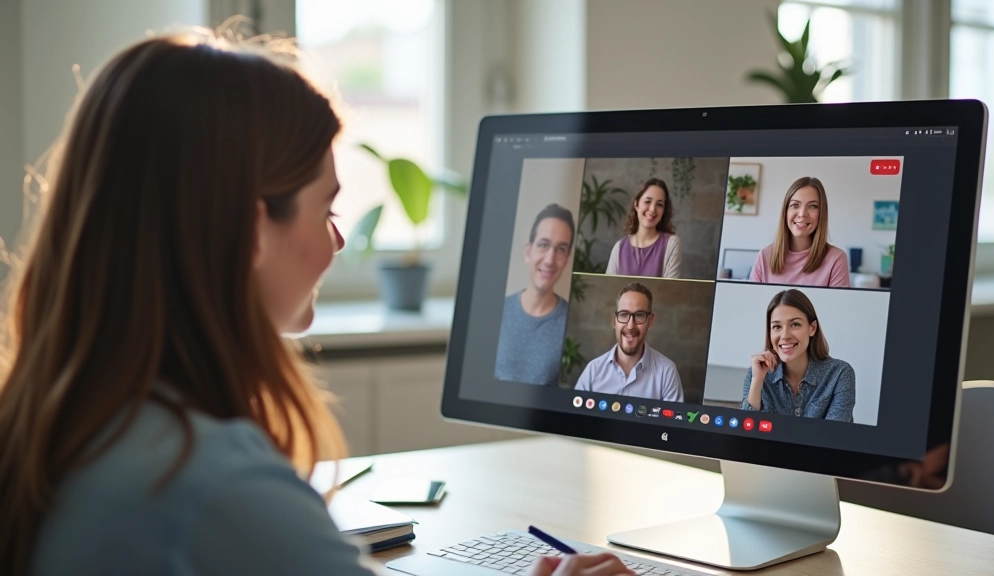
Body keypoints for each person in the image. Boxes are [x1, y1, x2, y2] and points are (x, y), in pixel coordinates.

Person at [0, 31, 633, 576]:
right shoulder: (212, 482)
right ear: (251, 232)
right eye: (326, 210)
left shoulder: (70, 421)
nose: (336, 240)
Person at [741, 289, 856, 422]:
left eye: (795, 324)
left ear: (812, 328)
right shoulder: (755, 374)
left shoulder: (840, 374)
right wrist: (757, 380)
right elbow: (745, 432)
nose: (784, 336)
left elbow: (833, 438)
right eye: (777, 327)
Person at [494, 204, 576, 386]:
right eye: (543, 245)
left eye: (561, 249)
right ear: (528, 252)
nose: (549, 260)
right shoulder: (496, 313)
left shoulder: (571, 327)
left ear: (568, 259)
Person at [575, 283, 684, 401]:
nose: (630, 325)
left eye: (639, 315)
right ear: (614, 321)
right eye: (624, 314)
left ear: (650, 321)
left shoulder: (667, 372)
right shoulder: (593, 370)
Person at [749, 177, 850, 287]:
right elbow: (752, 302)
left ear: (821, 214)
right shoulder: (764, 257)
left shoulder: (836, 259)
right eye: (795, 205)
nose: (802, 213)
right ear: (786, 211)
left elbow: (837, 304)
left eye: (812, 206)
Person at [605, 178, 682, 278]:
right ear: (636, 204)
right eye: (647, 201)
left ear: (664, 210)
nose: (652, 209)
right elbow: (610, 285)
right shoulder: (619, 247)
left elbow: (670, 290)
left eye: (659, 204)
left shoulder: (672, 244)